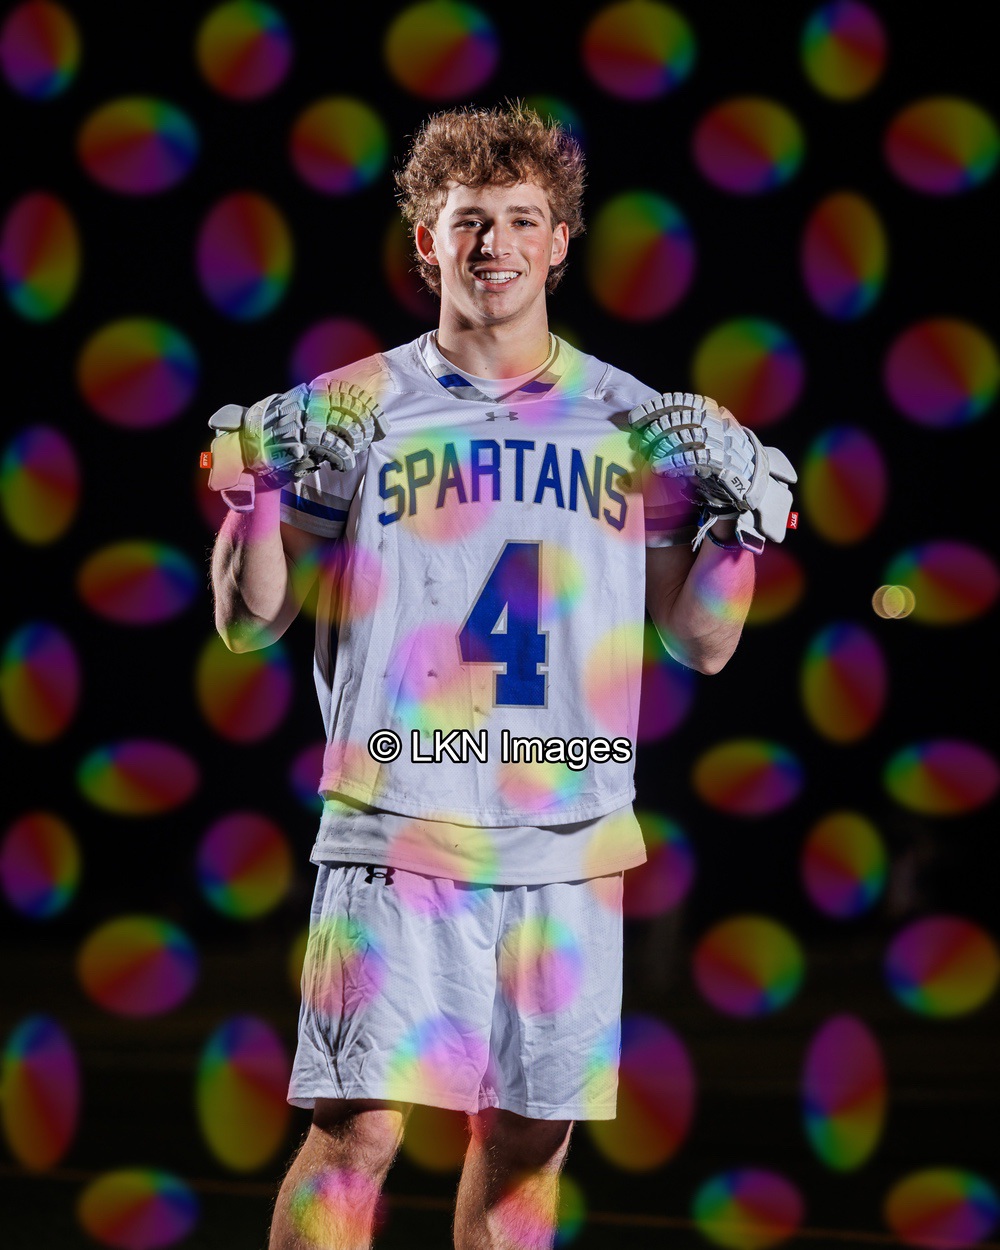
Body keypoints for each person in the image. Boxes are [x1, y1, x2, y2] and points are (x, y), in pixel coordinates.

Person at [207, 103, 794, 1250]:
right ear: (426, 239)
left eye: (523, 219)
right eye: (469, 219)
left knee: (528, 1140)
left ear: (560, 240)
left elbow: (701, 642)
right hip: (398, 815)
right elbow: (248, 621)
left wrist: (743, 532)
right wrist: (253, 495)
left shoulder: (635, 419)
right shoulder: (351, 405)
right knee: (355, 1132)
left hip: (567, 826)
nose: (496, 244)